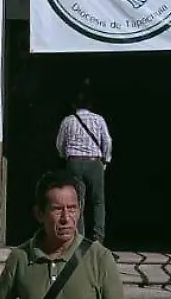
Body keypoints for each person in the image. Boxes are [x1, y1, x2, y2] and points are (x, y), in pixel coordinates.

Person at [0, 170, 126, 299]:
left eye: (72, 209)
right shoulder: (20, 259)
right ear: (39, 214)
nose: (66, 218)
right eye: (57, 210)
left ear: (80, 211)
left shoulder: (99, 258)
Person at [54, 90, 111, 242]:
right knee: (98, 201)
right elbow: (107, 141)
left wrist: (64, 155)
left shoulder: (68, 121)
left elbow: (60, 142)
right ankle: (98, 237)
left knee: (77, 201)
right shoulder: (98, 120)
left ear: (74, 105)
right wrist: (105, 160)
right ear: (91, 104)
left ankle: (79, 238)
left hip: (74, 163)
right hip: (94, 162)